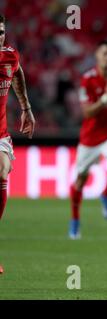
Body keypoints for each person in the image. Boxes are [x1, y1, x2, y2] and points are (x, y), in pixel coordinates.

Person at [69, 40, 107, 239]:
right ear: (97, 55)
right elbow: (87, 113)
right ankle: (75, 220)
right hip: (90, 137)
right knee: (80, 180)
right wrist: (105, 99)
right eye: (105, 53)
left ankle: (105, 194)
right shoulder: (87, 79)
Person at [0, 14, 36, 220]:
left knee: (2, 170)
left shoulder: (10, 55)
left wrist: (26, 108)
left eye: (1, 33)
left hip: (0, 133)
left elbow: (17, 72)